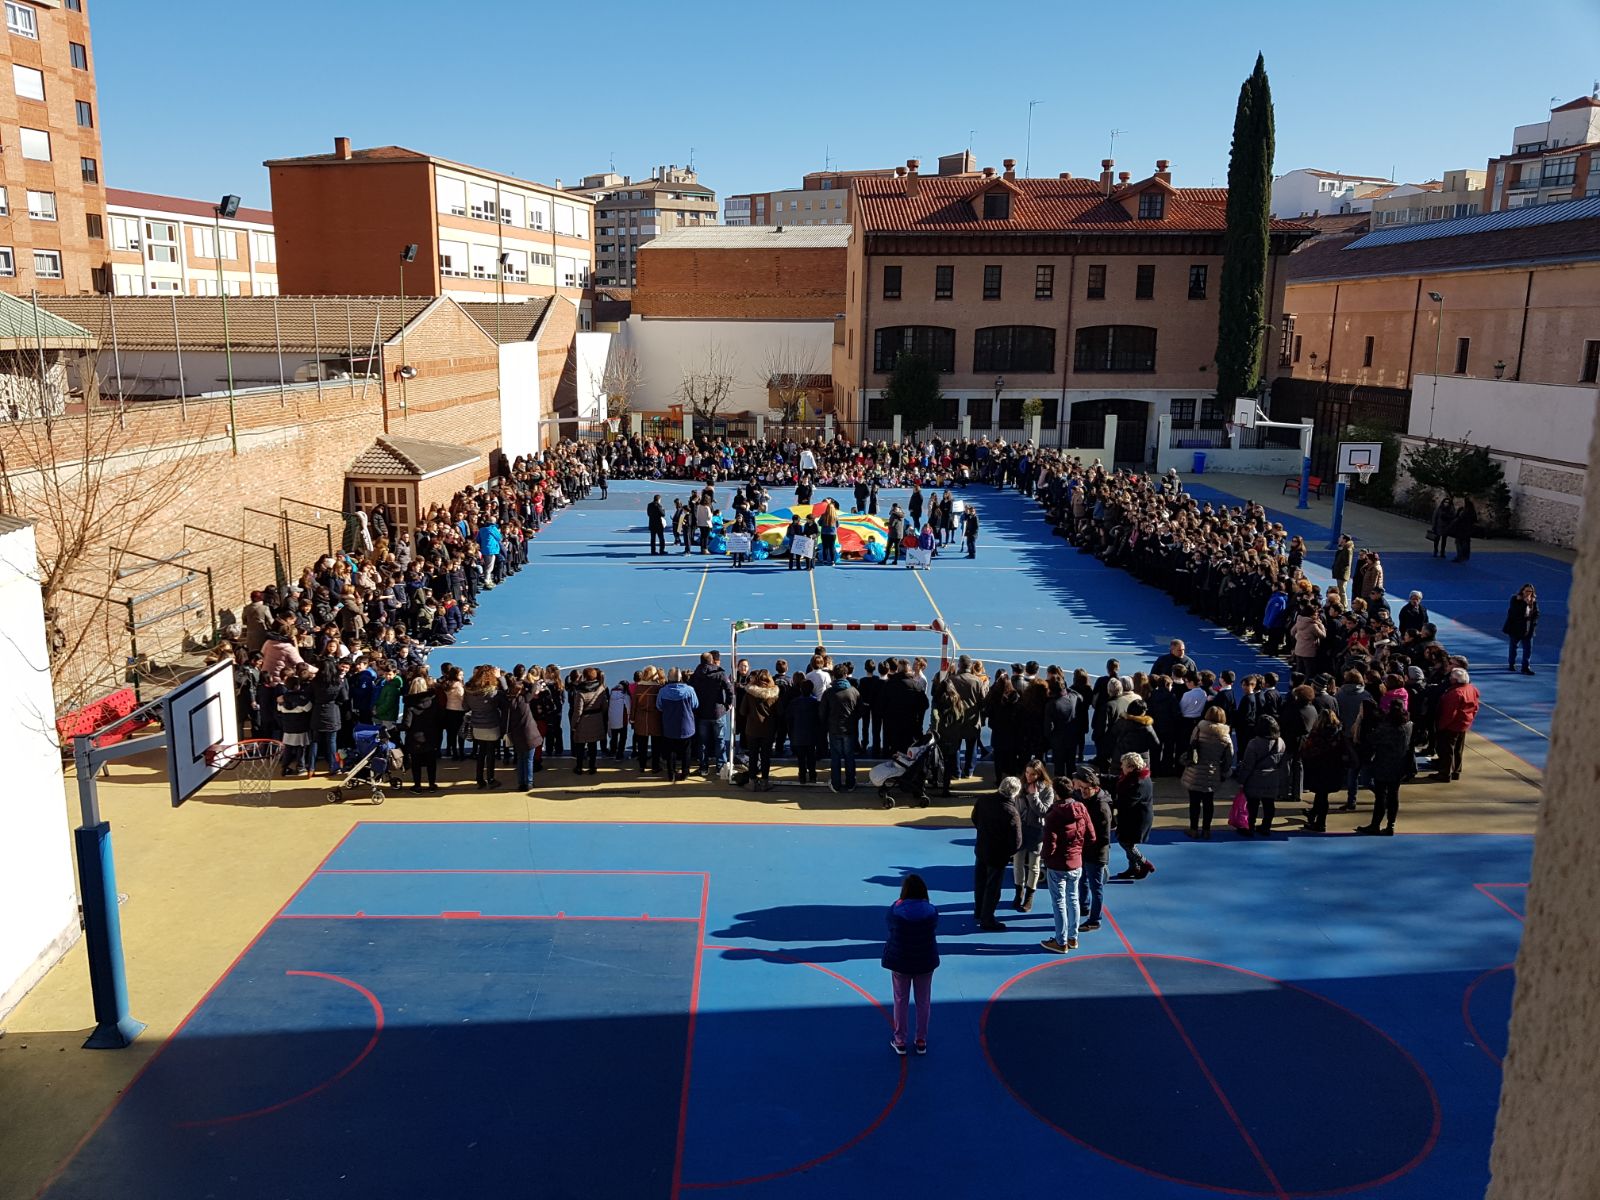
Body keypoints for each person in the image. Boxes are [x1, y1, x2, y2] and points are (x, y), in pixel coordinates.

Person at [881, 873, 940, 1056]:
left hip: (901, 961)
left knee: (900, 1000)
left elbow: (890, 925)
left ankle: (900, 1040)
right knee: (923, 1001)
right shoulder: (930, 911)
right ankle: (921, 1039)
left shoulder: (896, 910)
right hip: (925, 961)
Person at [1039, 768, 1096, 953]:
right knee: (1073, 900)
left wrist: (1046, 859)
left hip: (1058, 864)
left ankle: (1060, 940)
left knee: (1059, 902)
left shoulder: (1054, 814)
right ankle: (1073, 937)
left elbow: (1050, 843)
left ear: (1056, 793)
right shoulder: (1081, 808)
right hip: (1076, 862)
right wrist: (1078, 849)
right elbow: (1091, 835)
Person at [972, 777, 1024, 931]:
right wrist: (1008, 852)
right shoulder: (1011, 812)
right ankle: (987, 919)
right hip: (998, 854)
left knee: (980, 882)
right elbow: (1017, 841)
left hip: (982, 847)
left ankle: (979, 911)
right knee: (993, 887)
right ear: (1015, 793)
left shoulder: (984, 800)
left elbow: (974, 818)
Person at [1359, 702, 1414, 835]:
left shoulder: (1386, 729)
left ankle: (1375, 824)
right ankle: (1391, 825)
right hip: (1399, 765)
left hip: (1383, 765)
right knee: (1393, 796)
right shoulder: (1408, 726)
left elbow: (1371, 739)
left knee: (1380, 797)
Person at [1180, 705, 1234, 839]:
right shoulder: (1225, 736)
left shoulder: (1199, 729)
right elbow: (1229, 757)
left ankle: (1193, 829)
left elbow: (1191, 745)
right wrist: (1224, 772)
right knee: (1208, 802)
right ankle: (1206, 830)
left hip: (1196, 769)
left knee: (1194, 802)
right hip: (1212, 770)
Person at [1070, 766, 1113, 932]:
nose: (1082, 791)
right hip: (1085, 850)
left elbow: (1104, 837)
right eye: (1080, 788)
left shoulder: (1101, 807)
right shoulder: (1083, 799)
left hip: (1096, 853)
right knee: (1083, 880)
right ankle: (1084, 905)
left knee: (1096, 887)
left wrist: (1082, 840)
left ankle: (1095, 919)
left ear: (1095, 787)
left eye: (1086, 789)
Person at [1235, 715, 1289, 837]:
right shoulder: (1280, 742)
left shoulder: (1254, 743)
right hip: (1272, 777)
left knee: (1252, 805)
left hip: (1255, 778)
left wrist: (1241, 780)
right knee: (1269, 804)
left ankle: (1250, 826)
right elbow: (1283, 763)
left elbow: (1247, 765)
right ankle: (1266, 826)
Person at [1299, 708, 1351, 832]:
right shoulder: (1338, 734)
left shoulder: (1317, 734)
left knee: (1322, 795)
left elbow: (1307, 751)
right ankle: (1313, 815)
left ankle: (1320, 823)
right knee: (1322, 794)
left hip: (1319, 768)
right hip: (1334, 768)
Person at [1013, 760, 1054, 913]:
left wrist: (1034, 796)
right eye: (1027, 772)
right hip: (1021, 829)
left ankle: (1029, 896)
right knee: (1017, 862)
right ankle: (1018, 893)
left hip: (1037, 830)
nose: (1029, 776)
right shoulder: (1020, 786)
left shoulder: (1048, 790)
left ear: (1039, 774)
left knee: (1034, 865)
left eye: (1032, 774)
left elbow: (1044, 811)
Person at [1111, 752, 1155, 879]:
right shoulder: (1136, 778)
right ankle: (1134, 867)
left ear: (1131, 767)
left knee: (1126, 842)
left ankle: (1144, 863)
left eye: (1123, 765)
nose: (1121, 768)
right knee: (1126, 841)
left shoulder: (1137, 783)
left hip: (1136, 819)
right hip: (1133, 817)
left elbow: (1127, 802)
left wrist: (1110, 803)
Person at [689, 651, 734, 777]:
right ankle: (721, 767)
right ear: (712, 660)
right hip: (718, 712)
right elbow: (730, 690)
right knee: (720, 740)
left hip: (702, 712)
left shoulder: (696, 674)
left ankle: (704, 767)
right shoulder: (719, 673)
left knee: (702, 741)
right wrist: (728, 704)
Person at [1433, 668, 1481, 782]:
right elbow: (1475, 707)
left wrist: (1441, 726)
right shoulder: (1472, 689)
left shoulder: (1455, 693)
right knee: (1458, 749)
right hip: (1463, 723)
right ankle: (1456, 771)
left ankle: (1445, 773)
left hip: (1451, 726)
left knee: (1447, 750)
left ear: (1455, 680)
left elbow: (1450, 713)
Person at [819, 664, 860, 793]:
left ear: (834, 676)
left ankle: (836, 784)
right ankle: (850, 783)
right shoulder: (854, 691)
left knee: (835, 757)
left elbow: (822, 712)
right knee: (849, 756)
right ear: (846, 675)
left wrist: (826, 724)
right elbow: (860, 710)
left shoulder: (829, 692)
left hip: (834, 729)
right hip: (849, 729)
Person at [740, 668, 781, 791]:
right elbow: (780, 712)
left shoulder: (750, 694)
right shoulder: (774, 695)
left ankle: (752, 781)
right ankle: (764, 781)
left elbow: (742, 711)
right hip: (768, 729)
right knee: (765, 756)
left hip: (752, 729)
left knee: (753, 756)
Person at [656, 668, 698, 782]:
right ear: (680, 678)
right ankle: (685, 772)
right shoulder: (689, 690)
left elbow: (659, 706)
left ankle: (671, 774)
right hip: (686, 726)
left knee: (670, 751)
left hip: (669, 726)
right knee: (686, 751)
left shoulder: (663, 691)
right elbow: (695, 705)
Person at [568, 667, 608, 775]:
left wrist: (573, 724)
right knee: (593, 745)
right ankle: (592, 767)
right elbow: (605, 706)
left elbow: (578, 711)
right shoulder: (601, 688)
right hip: (596, 719)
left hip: (583, 721)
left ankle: (579, 767)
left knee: (580, 745)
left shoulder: (580, 691)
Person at [787, 676, 821, 786]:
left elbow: (789, 719)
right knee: (811, 757)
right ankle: (812, 776)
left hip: (798, 735)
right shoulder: (815, 702)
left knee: (801, 758)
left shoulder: (794, 703)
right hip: (811, 735)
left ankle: (802, 777)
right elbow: (819, 718)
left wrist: (791, 734)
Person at [1503, 583, 1539, 675]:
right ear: (1522, 591)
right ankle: (1511, 664)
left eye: (1530, 591)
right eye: (1527, 591)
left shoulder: (1533, 601)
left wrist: (1534, 621)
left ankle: (1525, 667)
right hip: (1516, 627)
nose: (1528, 593)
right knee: (1513, 647)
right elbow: (1515, 612)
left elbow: (1537, 613)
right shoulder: (1515, 599)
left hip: (1528, 627)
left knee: (1528, 649)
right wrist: (1525, 603)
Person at [1449, 498, 1477, 563]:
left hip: (1461, 529)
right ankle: (1464, 556)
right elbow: (1474, 520)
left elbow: (1458, 519)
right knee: (1465, 543)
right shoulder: (1471, 511)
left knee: (1459, 543)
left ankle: (1460, 556)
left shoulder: (1464, 511)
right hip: (1467, 530)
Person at [1331, 534, 1354, 603]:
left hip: (1342, 573)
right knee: (1340, 590)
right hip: (1340, 573)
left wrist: (1339, 568)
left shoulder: (1347, 549)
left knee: (1342, 591)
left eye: (1340, 538)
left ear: (1344, 540)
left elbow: (1347, 562)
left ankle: (1344, 606)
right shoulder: (1343, 548)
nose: (1338, 539)